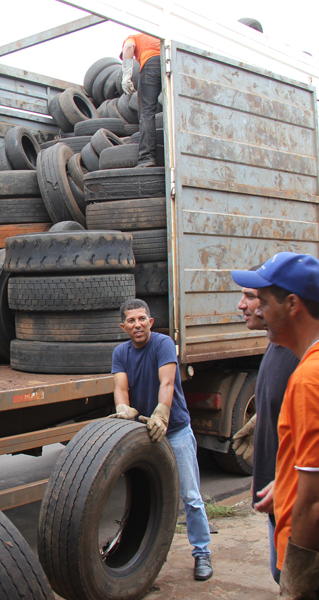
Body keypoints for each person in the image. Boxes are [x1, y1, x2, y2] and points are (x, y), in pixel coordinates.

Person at [230, 253, 319, 599]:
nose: (254, 309)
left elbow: (313, 501)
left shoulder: (309, 378)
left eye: (261, 301)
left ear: (293, 304)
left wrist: (299, 582)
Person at [110, 298, 213, 581]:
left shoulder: (163, 343)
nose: (137, 324)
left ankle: (202, 553)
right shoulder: (120, 352)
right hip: (144, 432)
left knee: (190, 496)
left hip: (174, 429)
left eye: (142, 318)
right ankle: (140, 557)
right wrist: (123, 407)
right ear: (123, 326)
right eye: (131, 320)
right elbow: (120, 387)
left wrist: (162, 413)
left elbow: (167, 382)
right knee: (146, 498)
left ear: (150, 322)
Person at [230, 276, 299, 583]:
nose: (242, 305)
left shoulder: (304, 356)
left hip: (298, 506)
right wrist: (263, 418)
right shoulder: (277, 344)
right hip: (279, 502)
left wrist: (289, 486)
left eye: (254, 298)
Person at [120, 33, 161, 168]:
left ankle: (146, 157)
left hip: (151, 64)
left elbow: (129, 48)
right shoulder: (157, 37)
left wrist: (126, 75)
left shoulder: (132, 37)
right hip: (172, 61)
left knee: (146, 112)